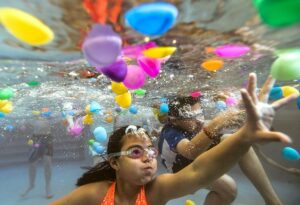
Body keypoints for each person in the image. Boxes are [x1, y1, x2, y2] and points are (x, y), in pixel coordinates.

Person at [49, 73, 296, 205]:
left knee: (230, 187)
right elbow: (190, 154)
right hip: (181, 161)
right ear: (114, 162)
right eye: (136, 152)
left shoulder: (156, 192)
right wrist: (219, 123)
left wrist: (245, 134)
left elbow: (199, 171)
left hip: (189, 164)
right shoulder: (94, 195)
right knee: (228, 186)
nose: (148, 158)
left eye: (149, 151)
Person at [158, 74, 289, 205]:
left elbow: (238, 128)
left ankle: (272, 200)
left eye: (200, 114)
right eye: (191, 116)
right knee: (228, 186)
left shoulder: (194, 124)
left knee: (233, 141)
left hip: (197, 163)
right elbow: (190, 151)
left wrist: (251, 114)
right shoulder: (170, 131)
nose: (198, 120)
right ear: (174, 121)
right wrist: (219, 122)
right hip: (180, 173)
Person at [22, 112, 54, 199]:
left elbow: (57, 117)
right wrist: (23, 124)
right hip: (35, 139)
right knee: (32, 164)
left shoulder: (49, 114)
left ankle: (48, 186)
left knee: (47, 163)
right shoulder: (33, 114)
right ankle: (31, 185)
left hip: (47, 139)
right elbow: (25, 121)